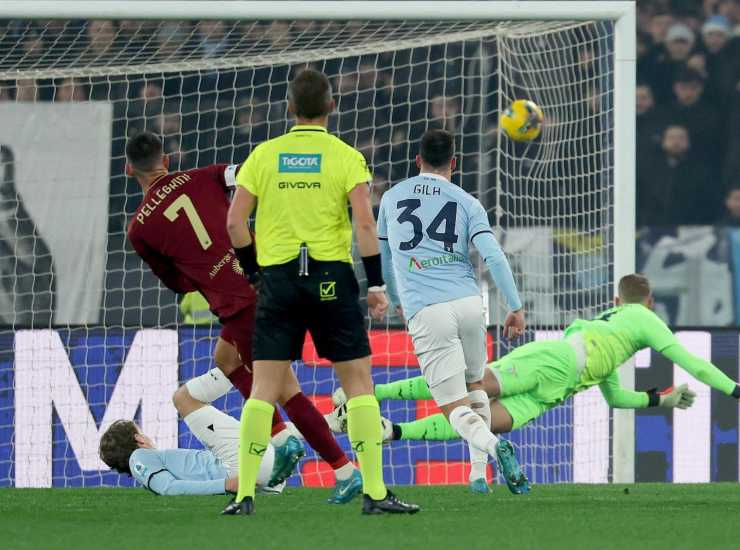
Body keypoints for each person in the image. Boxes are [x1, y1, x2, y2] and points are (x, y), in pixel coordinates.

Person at [124, 131, 362, 504]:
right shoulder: (205, 175)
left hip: (242, 304)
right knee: (226, 358)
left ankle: (342, 469)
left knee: (286, 389)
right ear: (166, 160)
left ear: (128, 170)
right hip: (269, 278)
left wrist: (206, 271)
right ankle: (284, 440)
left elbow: (179, 285)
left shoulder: (139, 229)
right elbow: (249, 173)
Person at [224, 68, 418, 515]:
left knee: (264, 389)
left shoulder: (264, 155)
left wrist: (255, 274)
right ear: (332, 106)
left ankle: (245, 495)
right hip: (330, 277)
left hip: (279, 279)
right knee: (357, 383)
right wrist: (375, 284)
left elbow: (235, 223)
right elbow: (365, 225)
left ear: (288, 108)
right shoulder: (346, 156)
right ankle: (373, 492)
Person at [333, 274, 740, 457]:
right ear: (647, 304)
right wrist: (735, 389)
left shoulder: (606, 334)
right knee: (474, 387)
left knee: (489, 421)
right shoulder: (644, 319)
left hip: (559, 386)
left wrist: (660, 401)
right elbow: (693, 363)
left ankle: (393, 430)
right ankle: (370, 392)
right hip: (555, 361)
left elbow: (615, 396)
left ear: (616, 301)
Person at [375, 128, 526, 495]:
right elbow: (493, 255)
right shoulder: (467, 201)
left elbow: (386, 259)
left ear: (417, 159)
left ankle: (494, 447)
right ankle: (478, 476)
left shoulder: (392, 198)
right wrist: (516, 307)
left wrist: (394, 297)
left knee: (451, 404)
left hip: (428, 309)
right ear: (453, 163)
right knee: (476, 384)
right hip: (470, 304)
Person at [99, 369, 281, 496]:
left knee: (271, 431)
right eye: (141, 431)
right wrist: (227, 485)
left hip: (264, 475)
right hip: (239, 467)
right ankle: (241, 361)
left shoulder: (153, 467)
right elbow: (169, 488)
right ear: (139, 438)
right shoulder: (139, 457)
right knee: (183, 398)